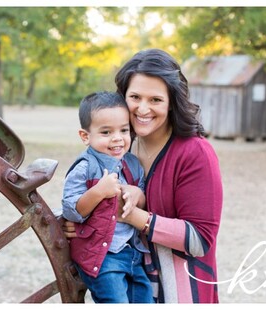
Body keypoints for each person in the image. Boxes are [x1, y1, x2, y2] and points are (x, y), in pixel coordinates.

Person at [63, 49, 223, 303]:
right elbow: (84, 195)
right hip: (129, 283)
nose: (143, 108)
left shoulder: (195, 152)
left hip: (180, 291)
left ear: (172, 102)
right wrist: (79, 222)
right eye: (135, 97)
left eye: (156, 100)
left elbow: (200, 239)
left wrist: (131, 214)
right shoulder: (122, 146)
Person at [61, 91, 152, 303]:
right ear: (85, 136)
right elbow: (70, 209)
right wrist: (99, 191)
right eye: (106, 132)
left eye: (123, 130)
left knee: (145, 300)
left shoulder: (132, 164)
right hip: (103, 257)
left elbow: (142, 197)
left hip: (132, 252)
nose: (117, 138)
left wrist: (136, 195)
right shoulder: (85, 168)